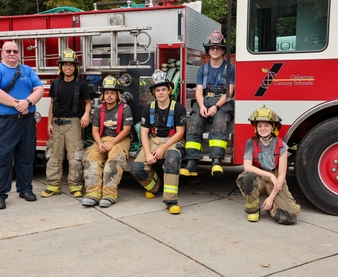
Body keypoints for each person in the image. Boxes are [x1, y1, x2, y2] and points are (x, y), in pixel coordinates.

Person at [0, 41, 44, 210]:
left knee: (26, 157)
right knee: (2, 158)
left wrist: (28, 102)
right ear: (1, 53)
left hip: (27, 121)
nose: (12, 54)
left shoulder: (27, 70)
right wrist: (17, 104)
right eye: (8, 51)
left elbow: (39, 89)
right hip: (4, 122)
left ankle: (25, 189)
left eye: (15, 51)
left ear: (19, 53)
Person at [130, 70, 187, 215]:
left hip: (173, 140)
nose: (161, 93)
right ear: (153, 93)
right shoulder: (148, 109)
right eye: (158, 90)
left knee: (172, 160)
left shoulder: (179, 108)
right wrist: (148, 153)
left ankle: (170, 201)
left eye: (163, 89)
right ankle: (155, 187)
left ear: (169, 90)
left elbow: (180, 133)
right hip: (153, 140)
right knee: (136, 168)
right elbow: (144, 132)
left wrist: (163, 149)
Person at [180, 30, 235, 178]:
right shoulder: (202, 70)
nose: (215, 50)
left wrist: (216, 106)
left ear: (223, 50)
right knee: (194, 123)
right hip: (204, 101)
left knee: (219, 124)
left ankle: (216, 162)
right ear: (208, 51)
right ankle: (191, 163)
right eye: (212, 48)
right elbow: (198, 91)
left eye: (218, 47)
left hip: (222, 103)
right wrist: (202, 106)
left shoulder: (230, 69)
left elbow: (229, 91)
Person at [236, 105, 300, 224]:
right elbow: (247, 167)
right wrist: (269, 175)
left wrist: (271, 198)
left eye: (266, 125)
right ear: (256, 128)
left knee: (288, 217)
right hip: (258, 176)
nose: (263, 128)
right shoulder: (251, 143)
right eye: (259, 125)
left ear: (273, 127)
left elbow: (281, 175)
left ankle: (271, 205)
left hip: (275, 180)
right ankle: (253, 210)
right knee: (247, 177)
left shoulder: (281, 146)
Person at [41, 48, 92, 198]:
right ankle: (53, 186)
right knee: (54, 156)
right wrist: (49, 123)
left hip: (74, 124)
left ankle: (76, 186)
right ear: (60, 67)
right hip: (57, 124)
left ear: (75, 67)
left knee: (75, 156)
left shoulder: (81, 84)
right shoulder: (55, 83)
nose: (67, 67)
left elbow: (88, 103)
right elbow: (52, 105)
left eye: (70, 64)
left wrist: (86, 115)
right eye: (65, 64)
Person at [82, 75, 133, 208]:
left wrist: (111, 144)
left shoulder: (125, 109)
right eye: (106, 93)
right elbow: (95, 129)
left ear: (118, 95)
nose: (109, 96)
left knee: (114, 158)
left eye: (112, 93)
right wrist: (99, 144)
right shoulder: (99, 109)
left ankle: (109, 195)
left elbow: (126, 130)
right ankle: (93, 194)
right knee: (91, 158)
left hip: (120, 139)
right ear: (103, 95)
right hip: (102, 139)